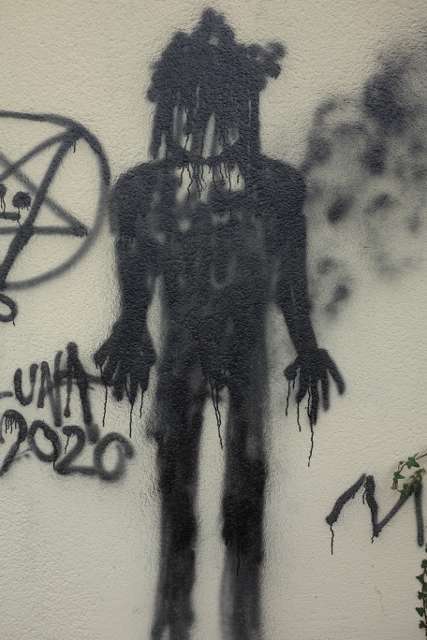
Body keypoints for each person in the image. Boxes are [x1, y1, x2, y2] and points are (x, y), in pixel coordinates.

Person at [95, 9, 345, 639]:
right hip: (185, 350)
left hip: (241, 353)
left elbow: (289, 281)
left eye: (219, 104)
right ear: (173, 108)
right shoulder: (147, 189)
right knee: (179, 502)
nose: (205, 120)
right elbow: (137, 276)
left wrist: (307, 345)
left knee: (241, 501)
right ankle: (177, 624)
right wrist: (130, 326)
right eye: (193, 103)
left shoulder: (273, 188)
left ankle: (237, 626)